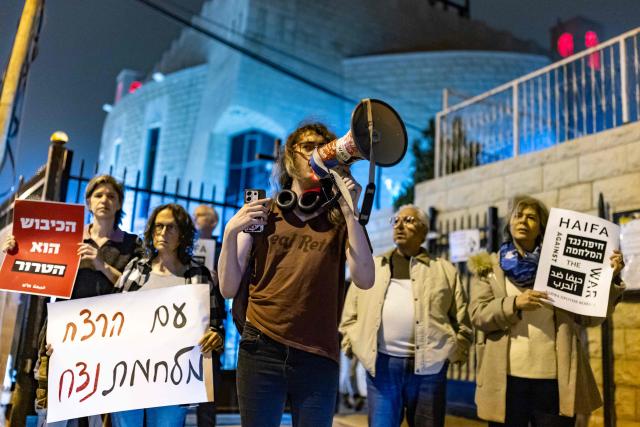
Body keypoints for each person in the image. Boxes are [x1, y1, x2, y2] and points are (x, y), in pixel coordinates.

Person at [218, 123, 375, 427]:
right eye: (307, 146)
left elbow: (365, 279)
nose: (316, 151)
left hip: (319, 353)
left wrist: (351, 213)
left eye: (324, 145)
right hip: (261, 347)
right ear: (290, 156)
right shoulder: (263, 212)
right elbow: (227, 287)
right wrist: (230, 233)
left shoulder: (338, 218)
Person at [468, 195, 625, 426]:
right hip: (507, 380)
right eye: (518, 215)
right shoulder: (490, 267)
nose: (523, 221)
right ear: (509, 223)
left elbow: (590, 318)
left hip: (553, 380)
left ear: (542, 226)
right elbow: (478, 315)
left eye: (531, 217)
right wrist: (514, 304)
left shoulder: (564, 264)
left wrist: (609, 279)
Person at [1, 174, 145, 427]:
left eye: (111, 196)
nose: (105, 200)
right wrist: (18, 250)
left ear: (120, 204)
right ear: (88, 202)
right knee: (55, 412)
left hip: (109, 338)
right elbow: (34, 267)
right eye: (98, 195)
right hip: (63, 335)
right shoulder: (68, 236)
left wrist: (102, 265)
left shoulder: (133, 245)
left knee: (97, 413)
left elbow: (140, 289)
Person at [340, 204, 472, 427]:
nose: (400, 225)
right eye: (396, 221)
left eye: (409, 221)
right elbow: (350, 314)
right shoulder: (373, 266)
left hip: (430, 368)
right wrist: (353, 343)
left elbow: (461, 320)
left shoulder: (444, 270)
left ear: (423, 232)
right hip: (381, 366)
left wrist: (454, 350)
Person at [111, 203, 226, 427]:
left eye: (170, 228)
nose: (162, 233)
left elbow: (215, 324)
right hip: (129, 375)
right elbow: (111, 318)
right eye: (158, 226)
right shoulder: (136, 268)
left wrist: (215, 335)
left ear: (182, 234)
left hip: (173, 380)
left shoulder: (197, 274)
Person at [192, 204, 221, 427]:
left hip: (211, 318)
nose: (196, 219)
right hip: (186, 316)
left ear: (213, 222)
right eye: (194, 216)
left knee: (209, 382)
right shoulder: (186, 247)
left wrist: (220, 278)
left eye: (200, 216)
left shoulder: (221, 248)